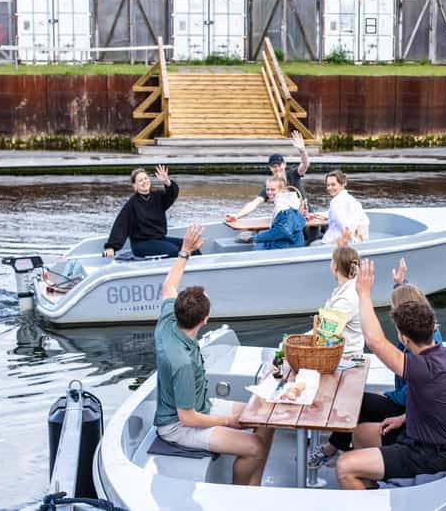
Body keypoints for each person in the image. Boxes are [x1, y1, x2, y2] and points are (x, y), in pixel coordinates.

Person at [153, 224, 274, 486]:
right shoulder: (182, 362)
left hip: (201, 406)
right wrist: (228, 422)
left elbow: (168, 285)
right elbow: (188, 418)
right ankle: (239, 495)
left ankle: (255, 484)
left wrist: (185, 251)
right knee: (253, 446)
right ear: (205, 319)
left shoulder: (168, 320)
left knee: (265, 415)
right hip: (178, 427)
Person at [334, 259, 446, 489]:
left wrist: (364, 295)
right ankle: (372, 487)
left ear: (405, 339)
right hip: (415, 433)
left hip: (426, 454)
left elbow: (375, 340)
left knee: (344, 466)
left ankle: (365, 483)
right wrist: (404, 418)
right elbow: (437, 403)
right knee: (361, 435)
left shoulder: (423, 368)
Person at [308, 258, 443, 468]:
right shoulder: (423, 328)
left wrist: (364, 295)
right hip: (406, 406)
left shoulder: (422, 350)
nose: (392, 315)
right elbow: (410, 300)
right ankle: (337, 448)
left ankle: (347, 455)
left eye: (393, 309)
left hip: (407, 410)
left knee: (357, 405)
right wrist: (399, 283)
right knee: (356, 402)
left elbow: (413, 391)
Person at [103, 166, 189, 258]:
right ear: (135, 185)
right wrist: (111, 247)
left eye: (146, 178)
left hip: (160, 240)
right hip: (141, 244)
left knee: (190, 246)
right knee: (174, 251)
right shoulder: (132, 204)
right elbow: (121, 225)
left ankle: (192, 269)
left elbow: (172, 194)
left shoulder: (158, 197)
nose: (144, 181)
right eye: (140, 180)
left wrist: (167, 181)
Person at [225, 131, 311, 223]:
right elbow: (254, 203)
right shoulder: (270, 186)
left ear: (284, 165)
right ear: (270, 168)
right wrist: (237, 216)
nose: (277, 168)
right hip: (287, 219)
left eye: (279, 165)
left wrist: (302, 150)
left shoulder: (293, 174)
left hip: (306, 216)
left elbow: (305, 165)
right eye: (274, 166)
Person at [310, 245, 364, 357]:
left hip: (344, 358)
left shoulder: (346, 299)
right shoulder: (348, 290)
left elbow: (325, 335)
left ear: (335, 267)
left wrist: (288, 344)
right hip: (340, 353)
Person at [313, 170, 369, 245]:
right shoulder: (349, 198)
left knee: (312, 244)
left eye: (333, 185)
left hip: (336, 242)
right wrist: (324, 215)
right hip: (355, 240)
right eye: (328, 185)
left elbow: (345, 228)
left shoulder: (336, 202)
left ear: (342, 185)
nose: (329, 188)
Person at [253, 176, 306, 250]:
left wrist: (256, 238)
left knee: (258, 244)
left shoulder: (284, 208)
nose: (269, 192)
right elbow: (302, 221)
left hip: (288, 247)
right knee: (260, 239)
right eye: (267, 189)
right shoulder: (291, 203)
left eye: (273, 190)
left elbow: (282, 231)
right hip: (292, 243)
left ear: (281, 190)